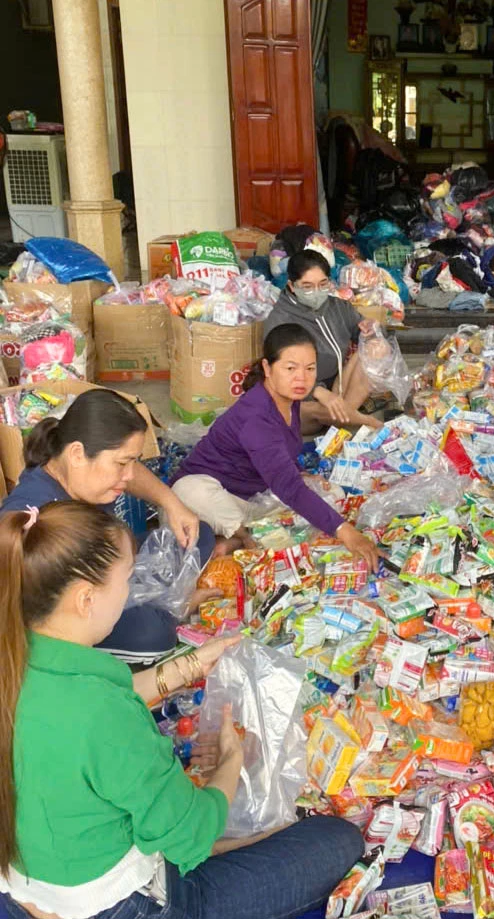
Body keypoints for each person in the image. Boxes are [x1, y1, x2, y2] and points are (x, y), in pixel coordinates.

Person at [0, 501, 364, 919]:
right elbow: (192, 833)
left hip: (32, 892)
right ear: (86, 598)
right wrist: (230, 760)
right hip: (121, 907)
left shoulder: (21, 661)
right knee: (338, 840)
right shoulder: (101, 714)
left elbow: (90, 708)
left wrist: (189, 664)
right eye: (127, 578)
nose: (130, 591)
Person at [0, 390, 216, 664]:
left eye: (132, 461)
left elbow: (131, 473)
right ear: (77, 454)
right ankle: (167, 606)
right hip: (76, 611)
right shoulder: (35, 515)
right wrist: (180, 607)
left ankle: (160, 601)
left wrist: (171, 504)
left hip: (111, 569)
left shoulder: (75, 470)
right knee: (154, 636)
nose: (128, 475)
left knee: (197, 533)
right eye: (122, 463)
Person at [171, 324, 380, 568]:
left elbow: (281, 460)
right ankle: (245, 539)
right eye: (290, 368)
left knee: (333, 493)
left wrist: (300, 473)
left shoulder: (288, 399)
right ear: (267, 369)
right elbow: (288, 487)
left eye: (310, 369)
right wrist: (347, 533)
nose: (301, 378)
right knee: (191, 490)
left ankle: (234, 539)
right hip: (211, 497)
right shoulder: (256, 417)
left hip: (253, 497)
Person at [264, 249, 382, 432]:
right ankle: (365, 422)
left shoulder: (338, 307)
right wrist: (318, 392)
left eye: (323, 283)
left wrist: (370, 329)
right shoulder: (280, 320)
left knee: (377, 347)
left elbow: (366, 331)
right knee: (312, 410)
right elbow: (281, 373)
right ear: (291, 286)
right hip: (301, 399)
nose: (317, 291)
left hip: (338, 390)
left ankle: (342, 416)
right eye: (307, 286)